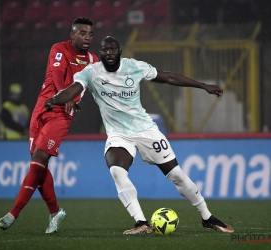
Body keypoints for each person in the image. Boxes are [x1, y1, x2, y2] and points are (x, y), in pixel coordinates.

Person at [45, 36, 235, 235]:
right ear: (100, 53)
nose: (109, 52)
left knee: (177, 175)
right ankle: (141, 222)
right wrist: (55, 99)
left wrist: (203, 86)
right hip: (118, 134)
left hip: (145, 129)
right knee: (117, 171)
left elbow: (169, 77)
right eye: (105, 50)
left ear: (120, 52)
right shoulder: (91, 72)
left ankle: (208, 217)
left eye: (113, 49)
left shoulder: (134, 67)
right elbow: (73, 90)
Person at [0, 17, 99, 233]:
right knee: (39, 167)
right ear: (72, 34)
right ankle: (55, 212)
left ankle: (13, 213)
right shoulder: (59, 49)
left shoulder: (93, 62)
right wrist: (65, 94)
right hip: (41, 109)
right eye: (82, 33)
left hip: (62, 115)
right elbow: (57, 75)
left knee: (38, 161)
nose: (87, 37)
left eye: (90, 34)